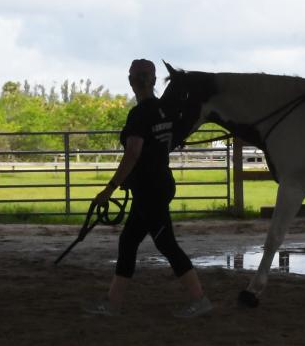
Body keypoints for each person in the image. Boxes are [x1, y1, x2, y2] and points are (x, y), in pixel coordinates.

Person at [83, 58, 212, 318]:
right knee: (128, 241)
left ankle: (200, 299)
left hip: (149, 190)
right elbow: (170, 141)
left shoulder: (140, 114)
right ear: (153, 81)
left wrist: (109, 188)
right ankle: (113, 302)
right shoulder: (164, 111)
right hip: (156, 186)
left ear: (131, 81)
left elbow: (133, 153)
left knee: (166, 244)